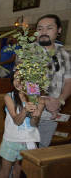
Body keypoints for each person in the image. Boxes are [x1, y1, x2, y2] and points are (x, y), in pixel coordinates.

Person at [0, 71, 44, 178]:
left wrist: (36, 116)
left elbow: (33, 124)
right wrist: (24, 110)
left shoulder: (37, 98)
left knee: (18, 173)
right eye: (15, 78)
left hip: (29, 140)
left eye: (21, 78)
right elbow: (17, 121)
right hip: (12, 139)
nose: (17, 82)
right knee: (5, 172)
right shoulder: (9, 97)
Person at [35, 14, 71, 148]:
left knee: (42, 150)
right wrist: (43, 100)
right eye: (40, 28)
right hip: (29, 111)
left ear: (59, 30)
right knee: (20, 152)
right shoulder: (27, 52)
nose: (43, 32)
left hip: (53, 111)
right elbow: (22, 82)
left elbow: (69, 81)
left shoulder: (65, 54)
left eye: (49, 28)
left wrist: (60, 100)